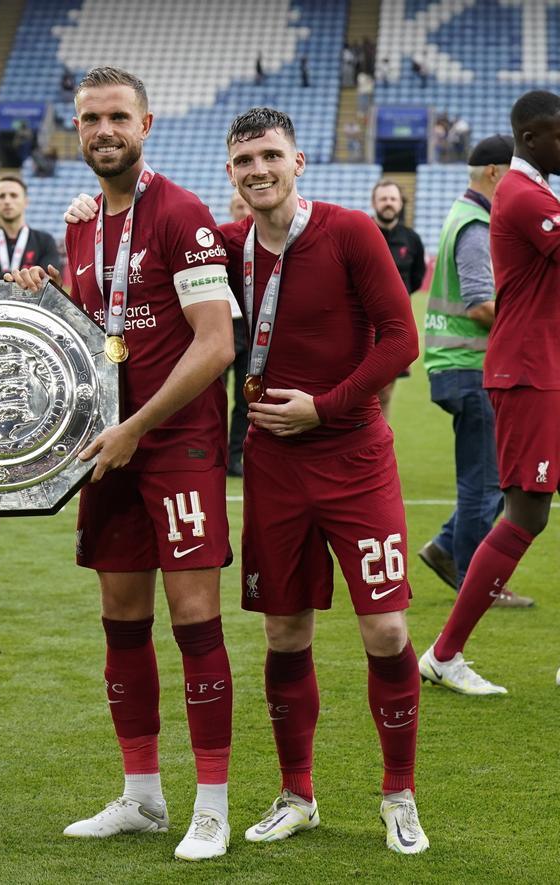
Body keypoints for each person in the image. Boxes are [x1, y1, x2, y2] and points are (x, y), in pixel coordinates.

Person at [18, 66, 238, 862]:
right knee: (122, 624)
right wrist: (38, 297)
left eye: (118, 116)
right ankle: (142, 794)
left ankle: (210, 805)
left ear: (146, 124)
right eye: (89, 118)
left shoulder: (182, 214)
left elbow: (216, 344)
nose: (104, 129)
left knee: (194, 623)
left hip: (174, 447)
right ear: (76, 131)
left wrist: (138, 426)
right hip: (107, 453)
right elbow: (91, 341)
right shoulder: (79, 225)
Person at [219, 108, 426, 854]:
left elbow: (401, 336)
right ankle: (296, 791)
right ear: (232, 173)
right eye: (244, 160)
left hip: (354, 459)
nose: (258, 170)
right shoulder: (229, 245)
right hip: (273, 466)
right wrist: (83, 214)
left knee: (387, 626)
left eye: (270, 155)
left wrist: (327, 407)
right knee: (283, 628)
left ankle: (398, 792)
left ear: (298, 162)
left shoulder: (349, 232)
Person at [419, 90, 560, 695]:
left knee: (521, 511)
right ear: (530, 139)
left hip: (543, 368)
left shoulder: (535, 191)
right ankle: (444, 654)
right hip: (529, 374)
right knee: (523, 514)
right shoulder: (525, 196)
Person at [418, 135, 533, 610]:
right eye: (515, 176)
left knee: (484, 478)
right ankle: (474, 580)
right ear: (493, 173)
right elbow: (480, 304)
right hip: (469, 367)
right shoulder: (478, 225)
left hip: (455, 367)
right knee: (485, 483)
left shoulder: (463, 216)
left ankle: (446, 550)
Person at [371, 179, 424, 419]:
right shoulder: (362, 233)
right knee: (360, 392)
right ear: (374, 203)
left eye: (393, 199)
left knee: (385, 392)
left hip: (395, 327)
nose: (388, 203)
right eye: (383, 199)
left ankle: (379, 445)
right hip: (364, 326)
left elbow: (417, 278)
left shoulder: (412, 239)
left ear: (401, 203)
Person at [0, 174, 59, 281]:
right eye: (1, 196)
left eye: (13, 195)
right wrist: (27, 277)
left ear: (26, 202)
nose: (7, 201)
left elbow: (48, 280)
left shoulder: (45, 241)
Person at [224, 191, 252, 476]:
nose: (242, 210)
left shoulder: (264, 243)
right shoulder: (220, 244)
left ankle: (234, 458)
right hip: (223, 326)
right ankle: (215, 454)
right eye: (237, 206)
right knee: (215, 398)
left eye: (245, 205)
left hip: (250, 328)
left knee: (245, 400)